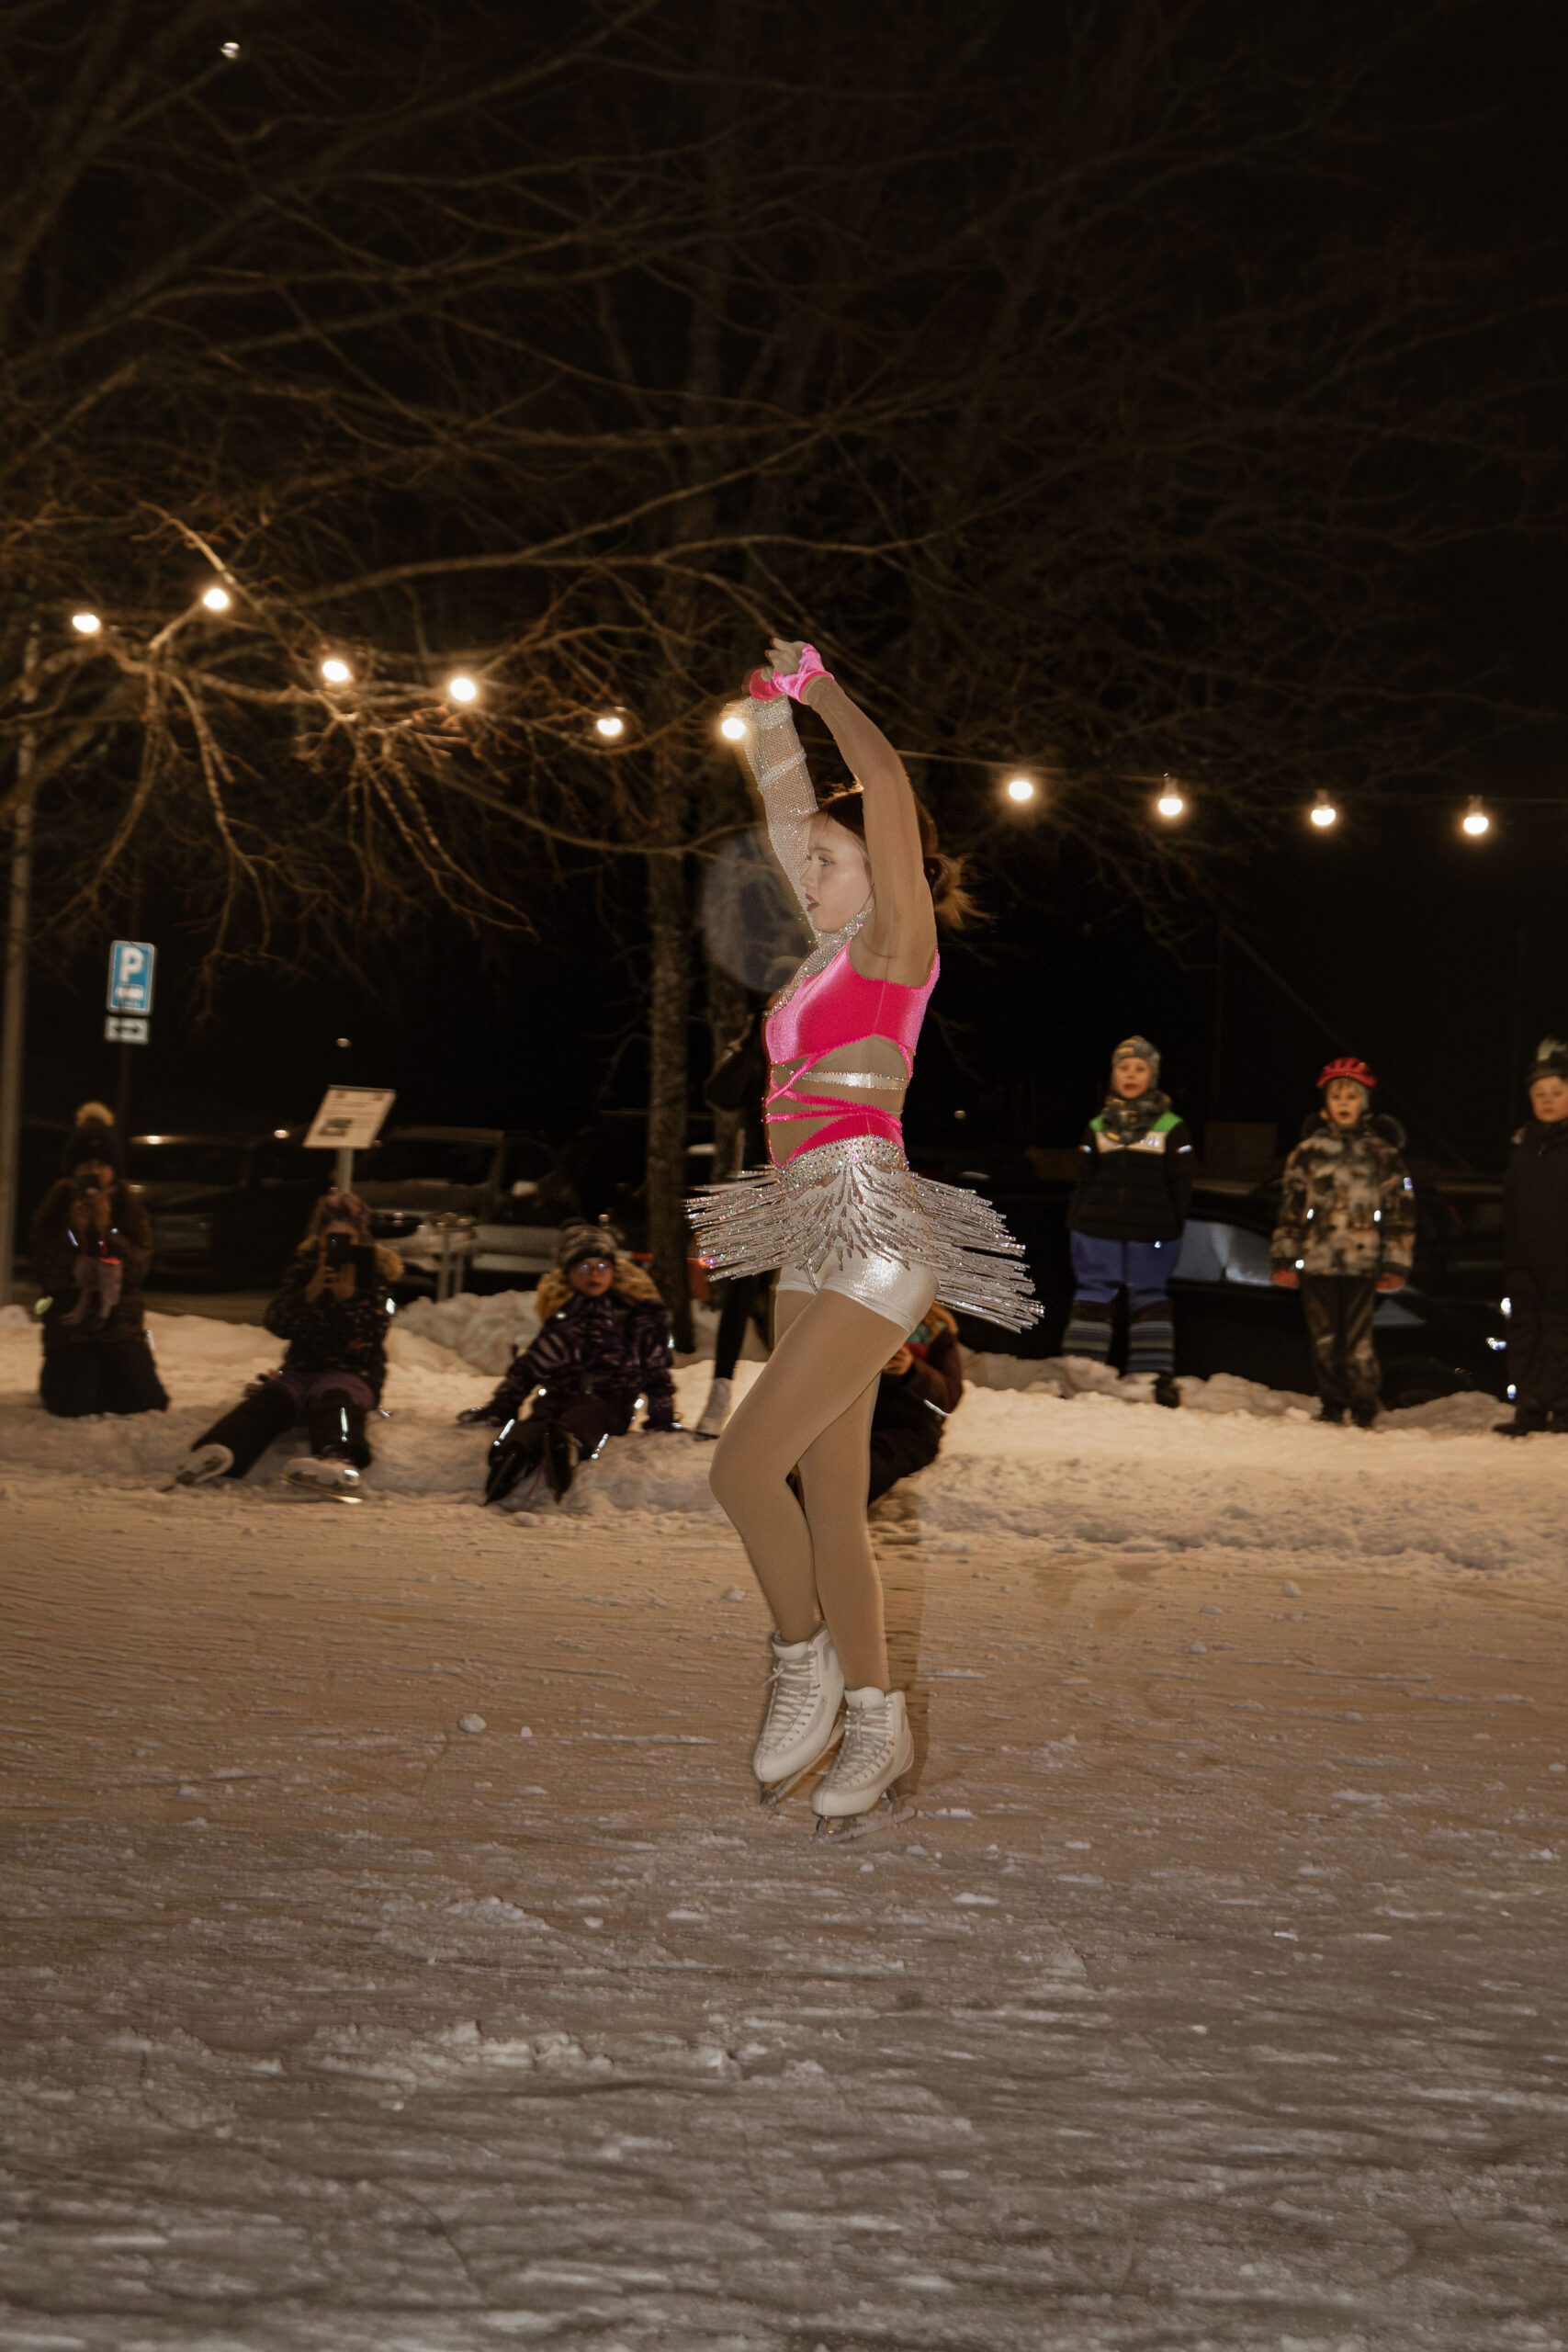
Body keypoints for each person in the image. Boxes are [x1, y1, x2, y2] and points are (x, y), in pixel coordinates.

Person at [691, 637, 1037, 1831]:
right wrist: (765, 723)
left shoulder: (896, 948)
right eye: (813, 861)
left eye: (831, 860)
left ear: (880, 872)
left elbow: (880, 786)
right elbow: (789, 807)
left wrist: (819, 687)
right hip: (805, 1230)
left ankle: (803, 1662)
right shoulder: (821, 958)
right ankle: (877, 1720)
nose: (810, 868)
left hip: (874, 1234)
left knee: (741, 1466)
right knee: (829, 1498)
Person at [172, 1192, 400, 1494]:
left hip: (355, 1374)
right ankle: (219, 1451)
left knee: (334, 1399)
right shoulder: (304, 1272)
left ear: (361, 1239)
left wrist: (347, 1300)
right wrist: (310, 1293)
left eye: (347, 1239)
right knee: (271, 1399)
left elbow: (372, 1334)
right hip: (302, 1370)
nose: (338, 1248)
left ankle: (340, 1459)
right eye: (331, 1239)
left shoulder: (374, 1278)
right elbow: (277, 1322)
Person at [459, 1221, 678, 1503]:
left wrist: (662, 1418)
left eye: (602, 1267)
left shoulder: (638, 1317)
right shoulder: (565, 1318)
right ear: (568, 1274)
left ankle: (567, 1446)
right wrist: (501, 1408)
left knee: (588, 1411)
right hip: (560, 1396)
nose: (594, 1275)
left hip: (609, 1401)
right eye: (584, 1268)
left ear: (614, 1271)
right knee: (538, 1418)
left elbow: (656, 1370)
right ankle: (513, 1455)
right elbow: (531, 1366)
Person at [1269, 1057, 1415, 1428]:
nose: (1344, 1103)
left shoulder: (1383, 1155)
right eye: (1337, 1096)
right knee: (1324, 1337)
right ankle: (1332, 1401)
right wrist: (1284, 1259)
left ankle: (1364, 1403)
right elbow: (1290, 1211)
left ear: (1364, 1102)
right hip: (1318, 1259)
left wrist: (1395, 1263)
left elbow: (1401, 1214)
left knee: (1357, 1340)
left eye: (1352, 1096)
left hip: (1363, 1261)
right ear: (1326, 1104)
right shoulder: (1307, 1153)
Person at [1062, 1035, 1193, 1407]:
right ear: (1113, 1074)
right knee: (1092, 1296)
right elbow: (1084, 1180)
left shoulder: (1172, 1127)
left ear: (1153, 1076)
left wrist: (1171, 1225)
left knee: (1150, 1298)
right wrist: (1076, 1222)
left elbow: (1182, 1185)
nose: (1131, 1075)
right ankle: (1081, 1375)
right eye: (1124, 1067)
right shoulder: (1098, 1126)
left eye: (1140, 1068)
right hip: (1096, 1231)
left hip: (1151, 1234)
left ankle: (1152, 1380)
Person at [30, 1102, 167, 1419]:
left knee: (145, 1403)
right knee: (74, 1405)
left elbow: (135, 1274)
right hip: (69, 1328)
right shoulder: (54, 1209)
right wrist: (74, 1233)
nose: (94, 1172)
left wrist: (107, 1232)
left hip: (120, 1326)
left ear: (115, 1170)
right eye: (85, 1164)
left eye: (102, 1164)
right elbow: (48, 1273)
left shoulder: (131, 1211)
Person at [692, 1010, 773, 1442]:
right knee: (741, 1293)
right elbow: (719, 1094)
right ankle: (719, 1394)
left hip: (816, 1185)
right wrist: (748, 1043)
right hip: (761, 1187)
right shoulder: (759, 1053)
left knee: (804, 1295)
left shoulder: (821, 1049)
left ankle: (791, 1404)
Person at [1497, 1036, 1568, 1435]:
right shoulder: (1523, 1143)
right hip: (1524, 1258)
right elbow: (1511, 1202)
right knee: (1525, 1332)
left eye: (1557, 1093)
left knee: (1561, 1331)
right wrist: (1511, 1253)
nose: (1548, 1101)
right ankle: (1529, 1407)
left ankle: (1564, 1407)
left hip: (1564, 1257)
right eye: (1540, 1094)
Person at [868, 1304, 964, 1504]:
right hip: (861, 1418)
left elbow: (950, 1396)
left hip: (911, 1425)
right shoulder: (859, 1314)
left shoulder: (936, 1326)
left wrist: (912, 1369)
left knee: (871, 1464)